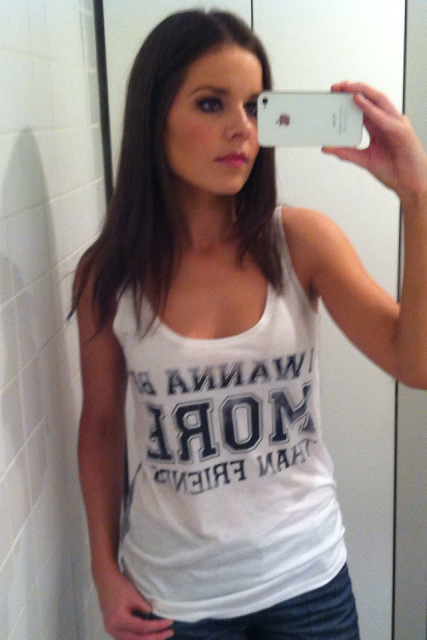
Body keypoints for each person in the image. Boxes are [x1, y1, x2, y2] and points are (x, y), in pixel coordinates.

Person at [72, 9, 427, 640]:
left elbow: (415, 362)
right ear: (153, 116)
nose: (242, 128)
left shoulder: (300, 242)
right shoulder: (111, 273)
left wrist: (418, 197)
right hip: (173, 595)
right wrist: (103, 567)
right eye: (211, 103)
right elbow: (100, 427)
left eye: (255, 106)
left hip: (306, 582)